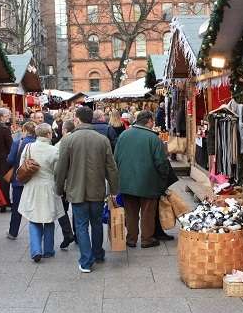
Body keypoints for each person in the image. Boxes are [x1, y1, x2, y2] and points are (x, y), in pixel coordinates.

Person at [55, 106, 119, 273]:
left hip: (76, 190)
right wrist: (114, 188)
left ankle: (86, 260)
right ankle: (97, 253)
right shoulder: (102, 139)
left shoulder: (68, 140)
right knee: (97, 223)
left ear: (77, 119)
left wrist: (58, 188)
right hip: (97, 188)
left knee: (81, 225)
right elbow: (111, 167)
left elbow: (61, 167)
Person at [114, 110, 169, 248]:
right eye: (153, 121)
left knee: (130, 212)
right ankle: (146, 239)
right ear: (149, 121)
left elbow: (115, 158)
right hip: (148, 182)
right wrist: (163, 178)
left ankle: (131, 239)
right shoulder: (153, 138)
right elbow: (161, 163)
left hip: (126, 181)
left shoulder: (124, 135)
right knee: (147, 213)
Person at [18, 123, 64, 262]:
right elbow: (58, 172)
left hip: (32, 186)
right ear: (49, 134)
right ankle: (48, 250)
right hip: (48, 187)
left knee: (33, 218)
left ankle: (36, 250)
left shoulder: (28, 147)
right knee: (49, 219)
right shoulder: (54, 150)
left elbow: (22, 166)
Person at [6, 121, 37, 239]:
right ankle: (36, 231)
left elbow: (10, 160)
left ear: (24, 130)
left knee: (17, 207)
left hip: (18, 180)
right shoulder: (37, 143)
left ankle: (13, 232)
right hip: (33, 180)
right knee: (34, 206)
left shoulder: (17, 143)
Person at [55, 120, 77, 248]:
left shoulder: (61, 144)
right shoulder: (77, 141)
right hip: (76, 181)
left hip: (64, 183)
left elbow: (58, 167)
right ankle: (78, 235)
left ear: (64, 130)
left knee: (61, 210)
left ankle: (68, 233)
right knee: (76, 209)